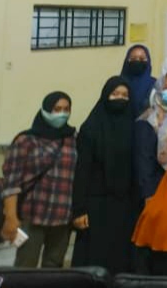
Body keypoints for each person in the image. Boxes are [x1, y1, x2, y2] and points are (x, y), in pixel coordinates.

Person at [1, 92, 76, 268]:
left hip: (63, 217)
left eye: (66, 109)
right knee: (25, 267)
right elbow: (11, 183)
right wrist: (11, 217)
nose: (62, 114)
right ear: (45, 110)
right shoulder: (25, 140)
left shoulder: (73, 139)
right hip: (33, 215)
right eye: (57, 109)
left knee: (54, 269)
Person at [71, 77, 137, 274]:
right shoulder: (90, 128)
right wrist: (79, 209)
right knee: (94, 261)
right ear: (105, 96)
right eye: (115, 94)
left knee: (122, 259)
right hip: (96, 206)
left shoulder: (135, 127)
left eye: (125, 95)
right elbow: (82, 170)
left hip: (126, 206)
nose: (120, 98)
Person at [134, 73, 167, 201]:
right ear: (159, 91)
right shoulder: (149, 120)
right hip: (157, 189)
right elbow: (144, 162)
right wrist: (149, 195)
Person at [121, 44, 156, 118]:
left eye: (142, 59)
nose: (137, 61)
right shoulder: (118, 83)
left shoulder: (155, 85)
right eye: (133, 58)